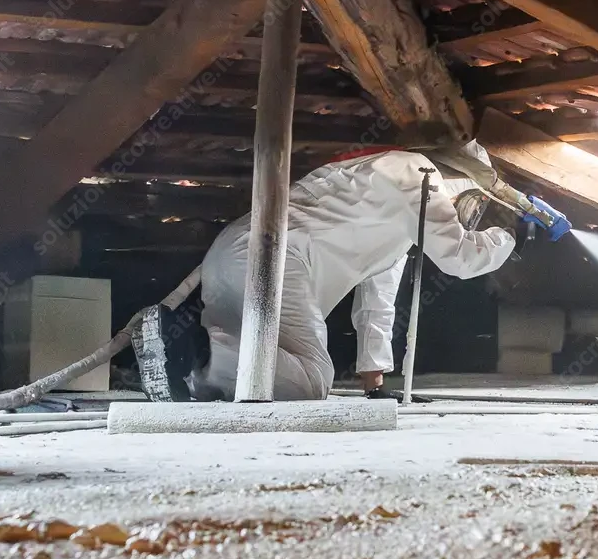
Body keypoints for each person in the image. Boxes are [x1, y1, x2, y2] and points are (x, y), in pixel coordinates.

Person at [189, 143, 518, 401]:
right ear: (463, 180)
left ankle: (180, 355)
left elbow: (378, 300)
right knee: (311, 380)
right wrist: (507, 239)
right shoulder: (418, 173)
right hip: (275, 257)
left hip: (229, 252)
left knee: (230, 374)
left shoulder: (388, 193)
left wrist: (374, 384)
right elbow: (458, 257)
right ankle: (194, 349)